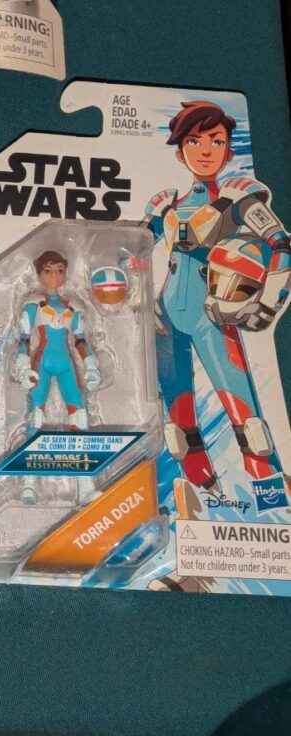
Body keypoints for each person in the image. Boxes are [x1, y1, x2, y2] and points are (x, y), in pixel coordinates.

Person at [143, 100, 291, 514]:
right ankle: (205, 502)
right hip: (166, 319)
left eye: (216, 140)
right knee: (180, 431)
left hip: (214, 319)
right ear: (180, 152)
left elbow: (281, 245)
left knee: (250, 427)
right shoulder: (166, 204)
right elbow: (131, 252)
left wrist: (267, 303)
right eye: (194, 141)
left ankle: (273, 507)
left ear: (228, 148)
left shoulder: (239, 196)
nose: (206, 150)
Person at [13, 250, 101, 503]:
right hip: (41, 363)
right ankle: (29, 484)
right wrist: (22, 366)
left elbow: (81, 340)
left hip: (66, 364)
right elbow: (23, 339)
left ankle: (85, 484)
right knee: (36, 417)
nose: (54, 276)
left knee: (80, 417)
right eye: (48, 271)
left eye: (60, 270)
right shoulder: (33, 307)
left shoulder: (72, 308)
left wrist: (91, 365)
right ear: (39, 273)